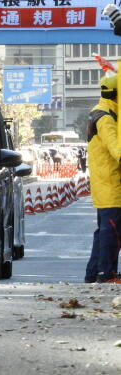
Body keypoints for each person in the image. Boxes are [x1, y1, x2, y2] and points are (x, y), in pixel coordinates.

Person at [84, 74, 121, 284]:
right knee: (111, 231)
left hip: (104, 182)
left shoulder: (99, 112)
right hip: (111, 183)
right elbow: (114, 146)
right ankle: (106, 275)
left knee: (103, 232)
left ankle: (93, 275)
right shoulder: (106, 117)